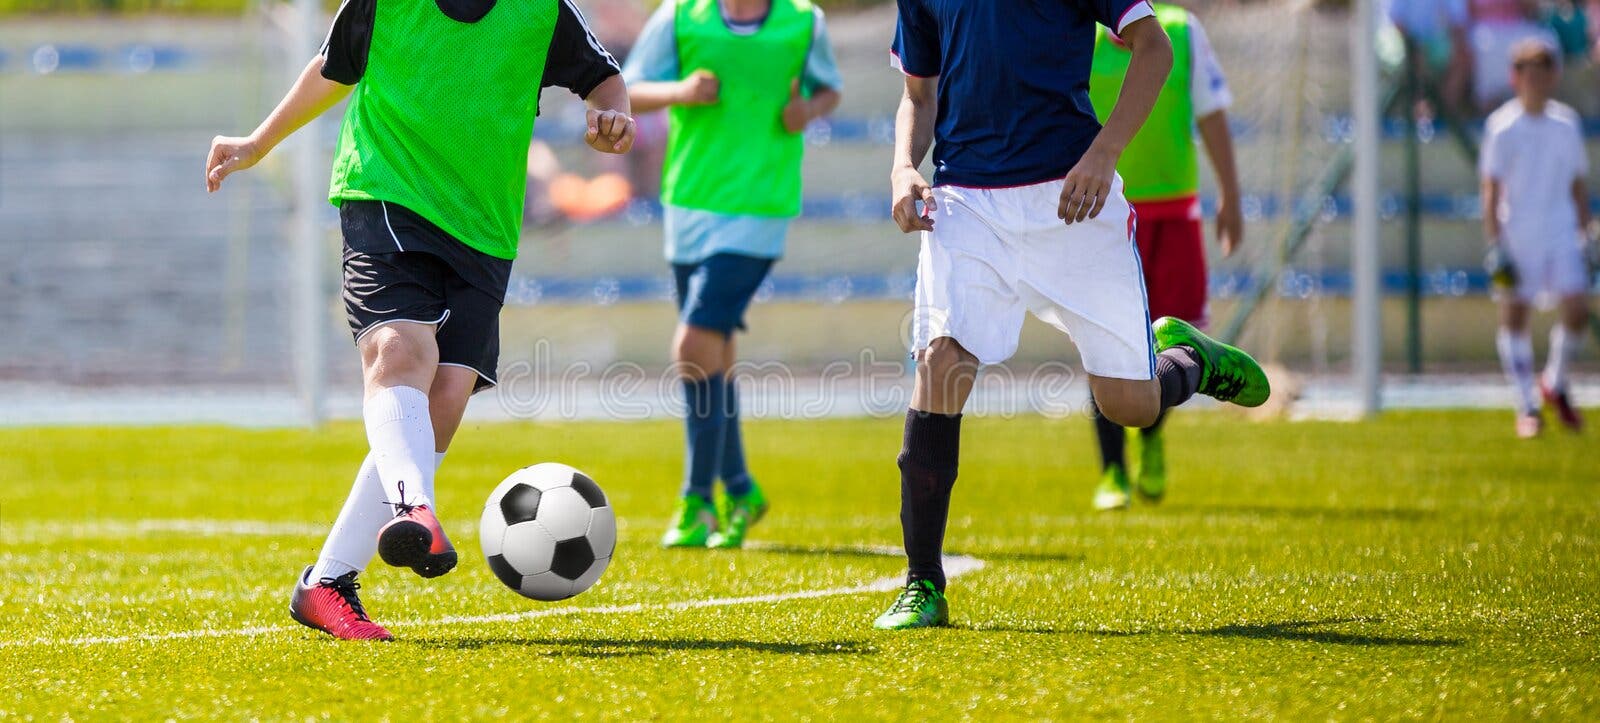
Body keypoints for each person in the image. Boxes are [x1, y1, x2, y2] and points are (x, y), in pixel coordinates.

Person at [205, 0, 635, 640]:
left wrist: (613, 115)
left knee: (444, 398)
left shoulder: (543, 9)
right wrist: (257, 143)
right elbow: (333, 68)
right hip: (387, 188)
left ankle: (326, 585)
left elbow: (601, 76)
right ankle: (414, 507)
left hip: (484, 224)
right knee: (399, 353)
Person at [877, 0, 1271, 630]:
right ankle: (922, 583)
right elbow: (918, 96)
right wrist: (902, 167)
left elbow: (1155, 48)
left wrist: (1104, 151)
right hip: (966, 202)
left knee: (1131, 406)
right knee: (941, 364)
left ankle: (1188, 360)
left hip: (1071, 195)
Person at [622, 0, 842, 550]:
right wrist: (681, 92)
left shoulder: (804, 20)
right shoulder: (679, 17)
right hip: (689, 204)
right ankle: (741, 491)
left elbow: (829, 89)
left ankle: (697, 499)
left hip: (760, 208)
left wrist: (807, 113)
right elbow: (628, 90)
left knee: (692, 343)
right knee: (710, 354)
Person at [1086, 2, 1244, 511]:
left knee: (1177, 336)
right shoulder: (1077, 35)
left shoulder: (1180, 31)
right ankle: (1113, 470)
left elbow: (1212, 115)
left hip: (1174, 212)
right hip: (1104, 213)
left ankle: (1150, 435)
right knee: (1101, 339)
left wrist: (1231, 196)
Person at [1480, 39, 1593, 438]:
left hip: (1561, 231)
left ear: (1553, 77)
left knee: (1577, 310)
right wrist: (1495, 242)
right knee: (1515, 317)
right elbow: (1491, 188)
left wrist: (1586, 231)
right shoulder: (1502, 126)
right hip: (1518, 234)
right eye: (1529, 75)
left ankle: (1555, 381)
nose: (1537, 82)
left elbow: (1578, 184)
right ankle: (1526, 403)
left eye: (1543, 74)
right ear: (1516, 79)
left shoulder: (1566, 124)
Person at [1387, 0, 1473, 116]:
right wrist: (1413, 46)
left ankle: (1441, 113)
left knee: (1463, 58)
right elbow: (1396, 22)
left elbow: (1458, 23)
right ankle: (1418, 113)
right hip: (1404, 44)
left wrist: (1456, 45)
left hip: (1438, 44)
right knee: (1416, 56)